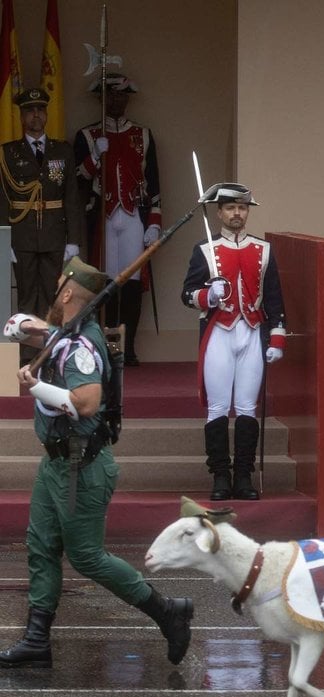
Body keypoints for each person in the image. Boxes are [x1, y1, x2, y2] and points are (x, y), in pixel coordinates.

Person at [1, 257, 193, 668]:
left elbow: (85, 404)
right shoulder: (63, 335)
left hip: (80, 467)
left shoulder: (81, 347)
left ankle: (168, 612)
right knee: (41, 546)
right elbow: (11, 327)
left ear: (67, 292)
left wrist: (36, 388)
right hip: (55, 464)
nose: (54, 293)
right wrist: (38, 328)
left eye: (58, 287)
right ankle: (37, 640)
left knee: (87, 557)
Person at [181, 183, 285, 501]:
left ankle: (243, 476)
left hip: (252, 331)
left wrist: (277, 338)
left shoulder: (263, 250)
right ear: (219, 212)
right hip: (219, 332)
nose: (237, 213)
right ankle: (220, 477)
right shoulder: (205, 250)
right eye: (230, 208)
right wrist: (207, 295)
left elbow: (274, 298)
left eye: (242, 208)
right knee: (217, 408)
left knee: (246, 408)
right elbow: (187, 295)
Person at [72, 72, 163, 367]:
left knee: (133, 282)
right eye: (110, 95)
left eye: (122, 95)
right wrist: (94, 157)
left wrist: (154, 222)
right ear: (101, 98)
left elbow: (154, 182)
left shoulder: (143, 135)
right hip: (104, 217)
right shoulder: (87, 136)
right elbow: (76, 180)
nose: (117, 100)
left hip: (134, 216)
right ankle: (110, 347)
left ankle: (130, 347)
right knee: (108, 284)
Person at [1, 87, 85, 363]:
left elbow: (71, 196)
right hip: (22, 235)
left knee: (54, 296)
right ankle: (27, 355)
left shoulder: (62, 150)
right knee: (26, 297)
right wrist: (5, 239)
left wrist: (74, 239)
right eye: (30, 111)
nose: (36, 115)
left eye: (40, 110)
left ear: (46, 114)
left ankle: (51, 353)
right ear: (22, 116)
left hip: (54, 234)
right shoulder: (8, 154)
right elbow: (3, 200)